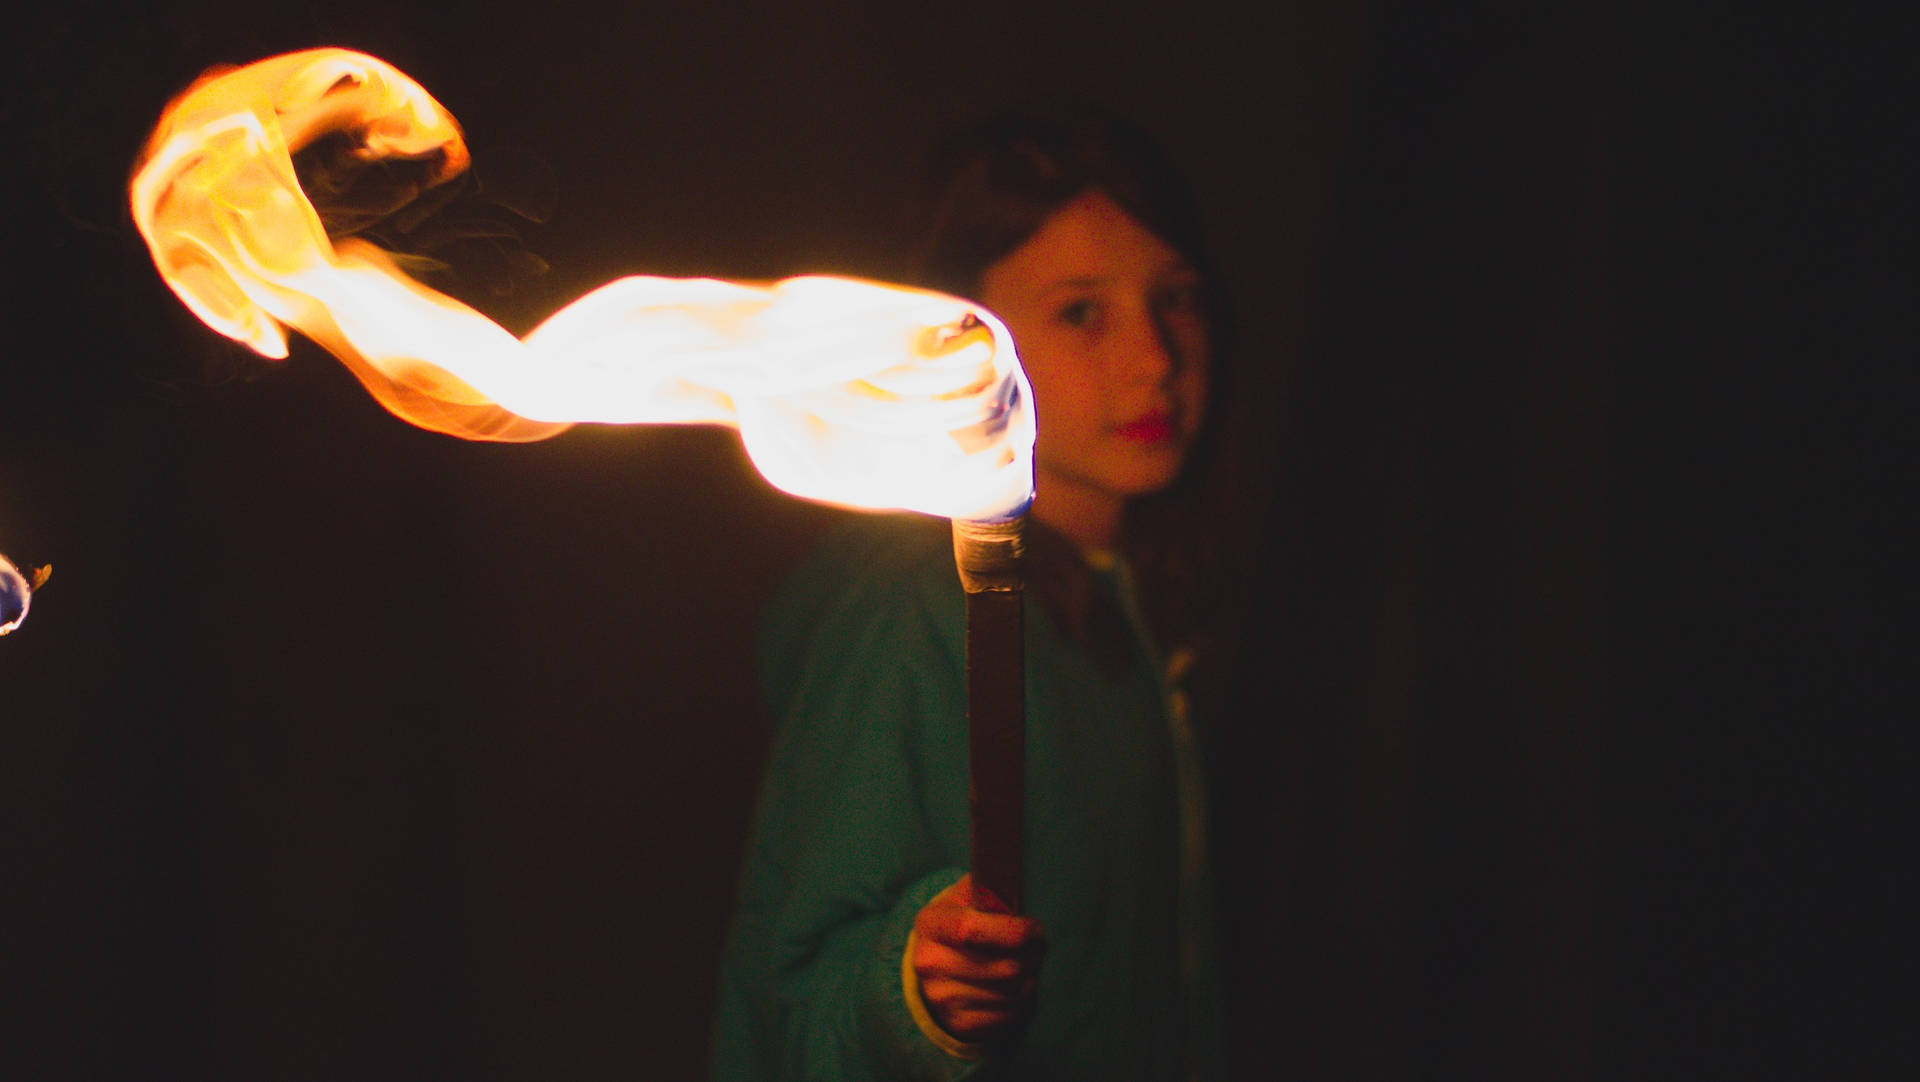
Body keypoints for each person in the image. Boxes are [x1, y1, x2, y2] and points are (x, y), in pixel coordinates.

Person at [710, 102, 1233, 1081]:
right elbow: (792, 992)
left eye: (1180, 297)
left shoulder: (1149, 603)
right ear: (962, 344)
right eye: (1083, 311)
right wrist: (914, 991)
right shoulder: (909, 610)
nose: (1155, 359)